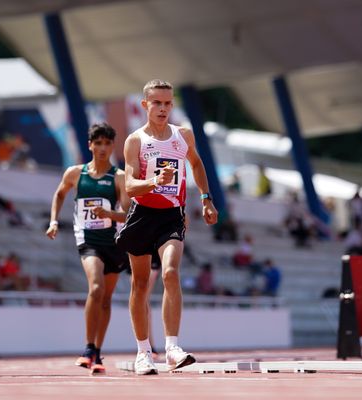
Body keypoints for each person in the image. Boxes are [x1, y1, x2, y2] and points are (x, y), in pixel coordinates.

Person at [117, 79, 218, 375]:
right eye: (157, 103)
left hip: (172, 215)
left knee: (171, 273)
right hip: (142, 216)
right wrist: (154, 182)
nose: (163, 108)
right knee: (139, 285)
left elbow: (197, 165)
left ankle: (173, 348)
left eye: (168, 103)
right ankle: (143, 352)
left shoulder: (183, 136)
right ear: (145, 105)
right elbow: (132, 186)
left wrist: (206, 198)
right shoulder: (135, 140)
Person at [46, 122, 130, 375]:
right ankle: (88, 346)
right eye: (99, 143)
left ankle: (97, 353)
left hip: (114, 243)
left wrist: (108, 213)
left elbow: (127, 215)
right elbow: (60, 194)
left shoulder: (119, 177)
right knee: (95, 287)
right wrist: (53, 220)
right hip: (88, 240)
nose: (103, 148)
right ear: (90, 145)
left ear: (112, 146)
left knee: (106, 299)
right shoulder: (75, 173)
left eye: (107, 143)